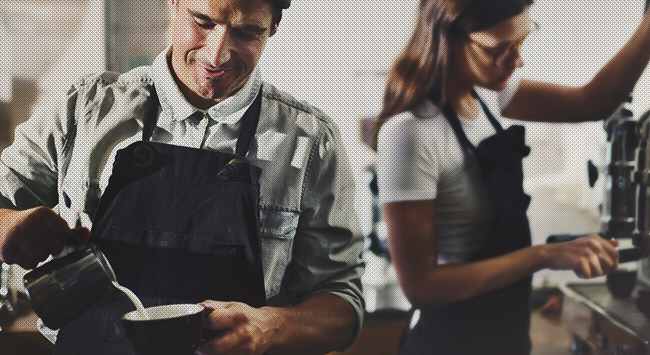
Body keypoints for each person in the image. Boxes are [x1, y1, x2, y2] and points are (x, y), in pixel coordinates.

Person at [0, 0, 365, 354]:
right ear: (173, 3)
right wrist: (7, 224)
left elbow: (341, 303)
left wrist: (271, 327)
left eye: (247, 32)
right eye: (203, 21)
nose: (217, 54)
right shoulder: (86, 109)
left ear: (273, 27)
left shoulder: (310, 142)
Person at [374, 0, 650, 354]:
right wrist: (544, 255)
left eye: (521, 42)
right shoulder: (410, 133)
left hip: (506, 335)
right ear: (445, 36)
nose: (517, 61)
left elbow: (595, 101)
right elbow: (420, 287)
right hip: (451, 341)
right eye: (498, 49)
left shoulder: (490, 95)